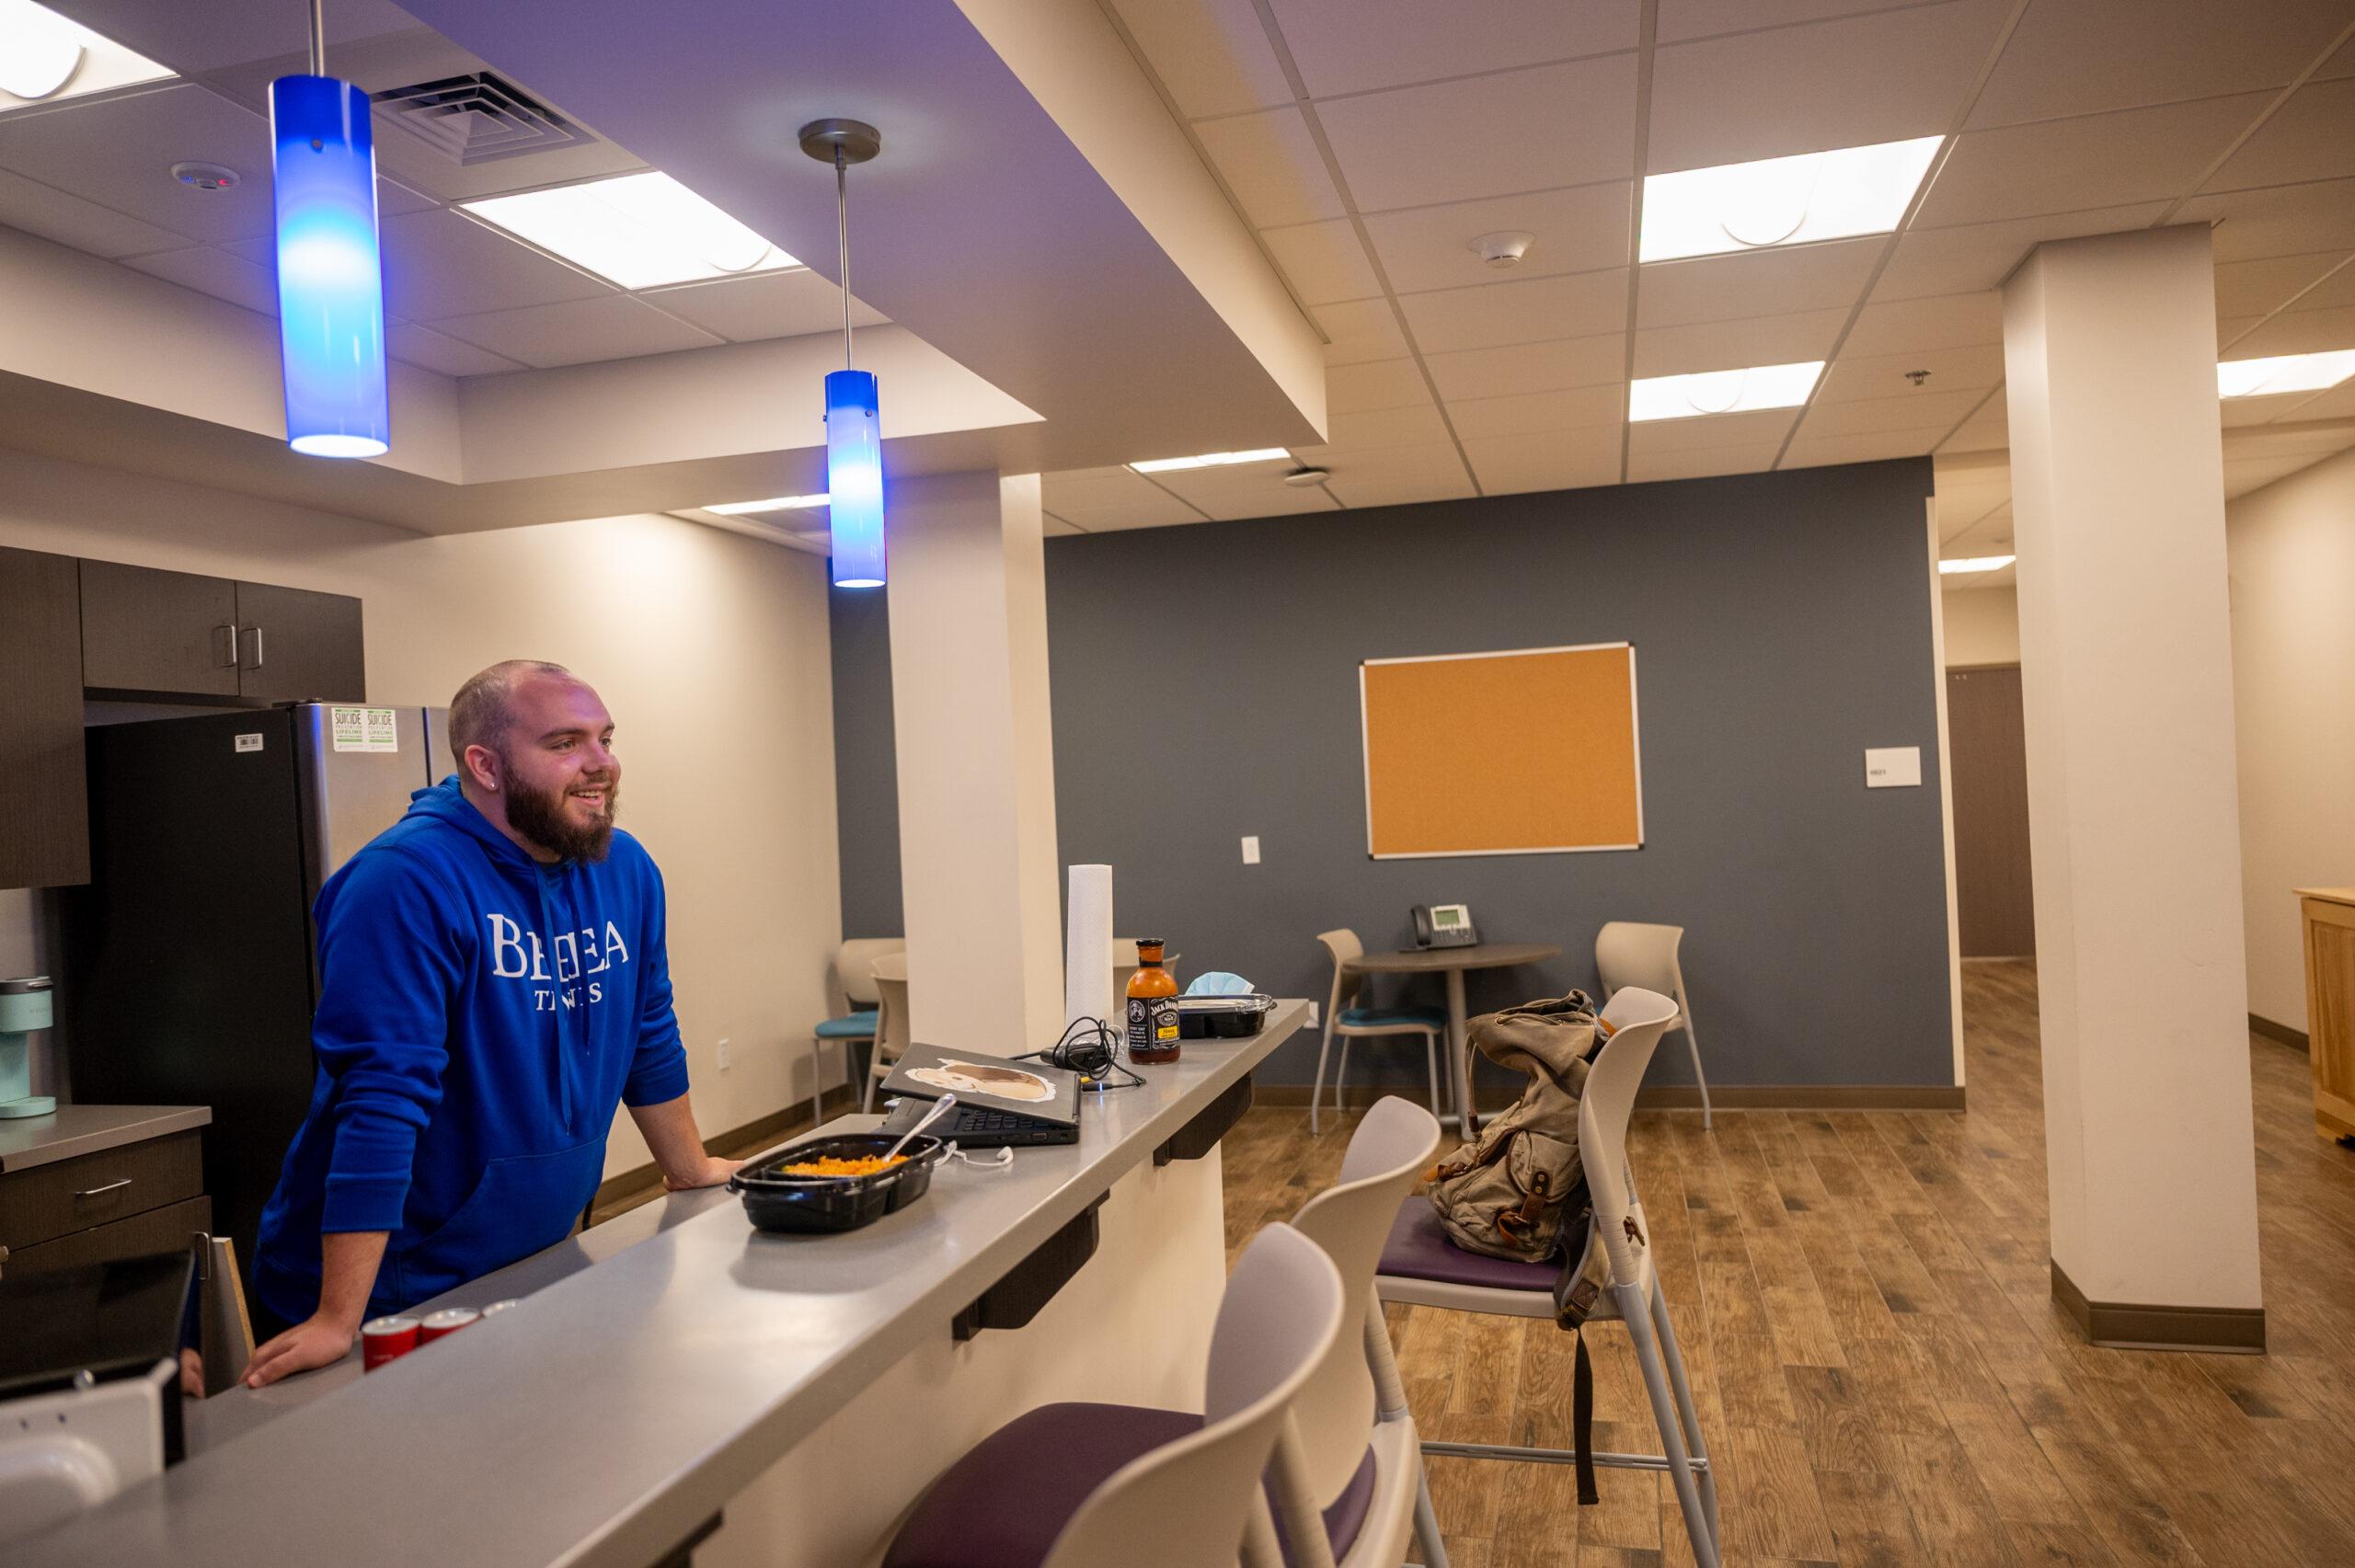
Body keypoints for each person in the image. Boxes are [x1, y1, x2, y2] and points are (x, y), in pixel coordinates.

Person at [245, 660, 739, 1386]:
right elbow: (382, 1096)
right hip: (393, 1289)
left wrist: (688, 1168)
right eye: (566, 742)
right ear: (485, 764)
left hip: (534, 1255)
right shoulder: (402, 883)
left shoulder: (623, 867)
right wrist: (334, 1320)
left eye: (604, 738)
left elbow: (647, 1025)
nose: (601, 762)